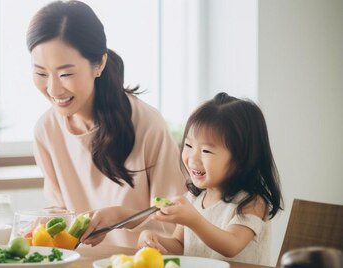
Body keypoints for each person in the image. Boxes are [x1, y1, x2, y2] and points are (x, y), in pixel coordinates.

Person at [26, 0, 187, 247]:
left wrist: (121, 218)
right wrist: (45, 222)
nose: (53, 88)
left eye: (66, 74)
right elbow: (61, 213)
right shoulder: (46, 130)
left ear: (99, 64)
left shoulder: (147, 125)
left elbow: (176, 227)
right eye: (41, 73)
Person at [137, 92, 283, 265]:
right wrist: (153, 241)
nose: (192, 158)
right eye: (189, 145)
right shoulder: (193, 198)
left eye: (206, 151)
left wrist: (193, 220)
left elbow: (232, 245)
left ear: (241, 159)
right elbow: (179, 245)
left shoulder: (252, 202)